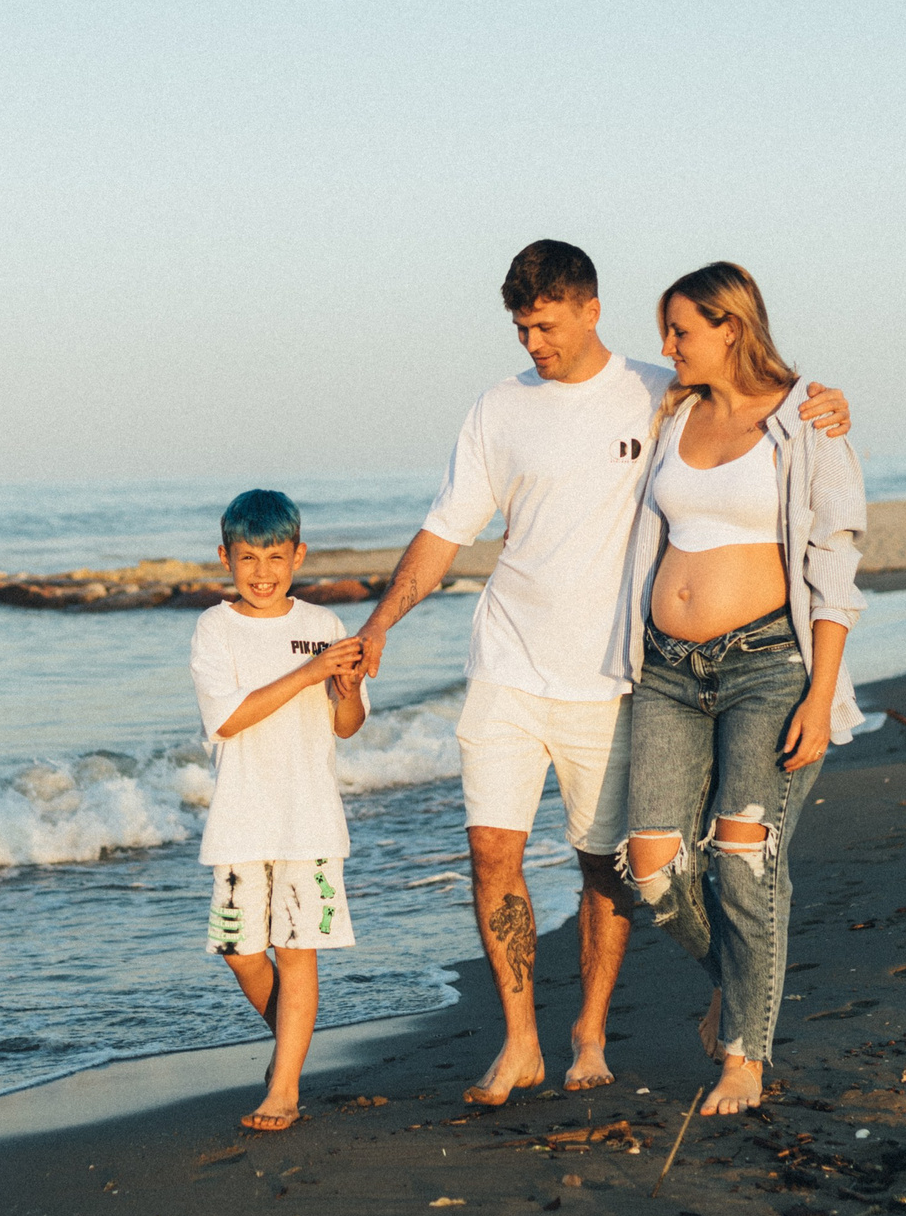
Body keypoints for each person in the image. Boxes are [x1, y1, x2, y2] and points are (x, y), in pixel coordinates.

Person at [354, 241, 851, 1106]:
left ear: (588, 309)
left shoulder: (663, 391)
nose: (532, 344)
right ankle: (520, 1043)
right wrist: (378, 626)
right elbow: (447, 529)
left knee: (617, 867)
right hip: (525, 661)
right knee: (501, 854)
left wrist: (827, 404)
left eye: (544, 324)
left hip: (625, 673)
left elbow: (779, 430)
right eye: (521, 328)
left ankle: (612, 1032)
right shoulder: (503, 409)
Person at [619, 262, 866, 1115]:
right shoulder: (672, 407)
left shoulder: (806, 420)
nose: (667, 346)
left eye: (681, 330)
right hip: (665, 670)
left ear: (731, 326)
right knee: (652, 866)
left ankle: (742, 1057)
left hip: (769, 667)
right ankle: (737, 979)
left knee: (742, 856)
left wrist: (820, 697)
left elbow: (835, 566)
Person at [190, 488, 369, 1132]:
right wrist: (309, 674)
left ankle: (284, 1086)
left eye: (274, 556)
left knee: (297, 953)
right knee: (241, 953)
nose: (261, 572)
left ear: (298, 555)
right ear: (225, 559)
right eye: (247, 558)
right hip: (240, 819)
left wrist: (344, 685)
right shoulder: (216, 628)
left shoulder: (323, 627)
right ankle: (292, 1044)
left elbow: (347, 725)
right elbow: (230, 719)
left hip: (309, 817)